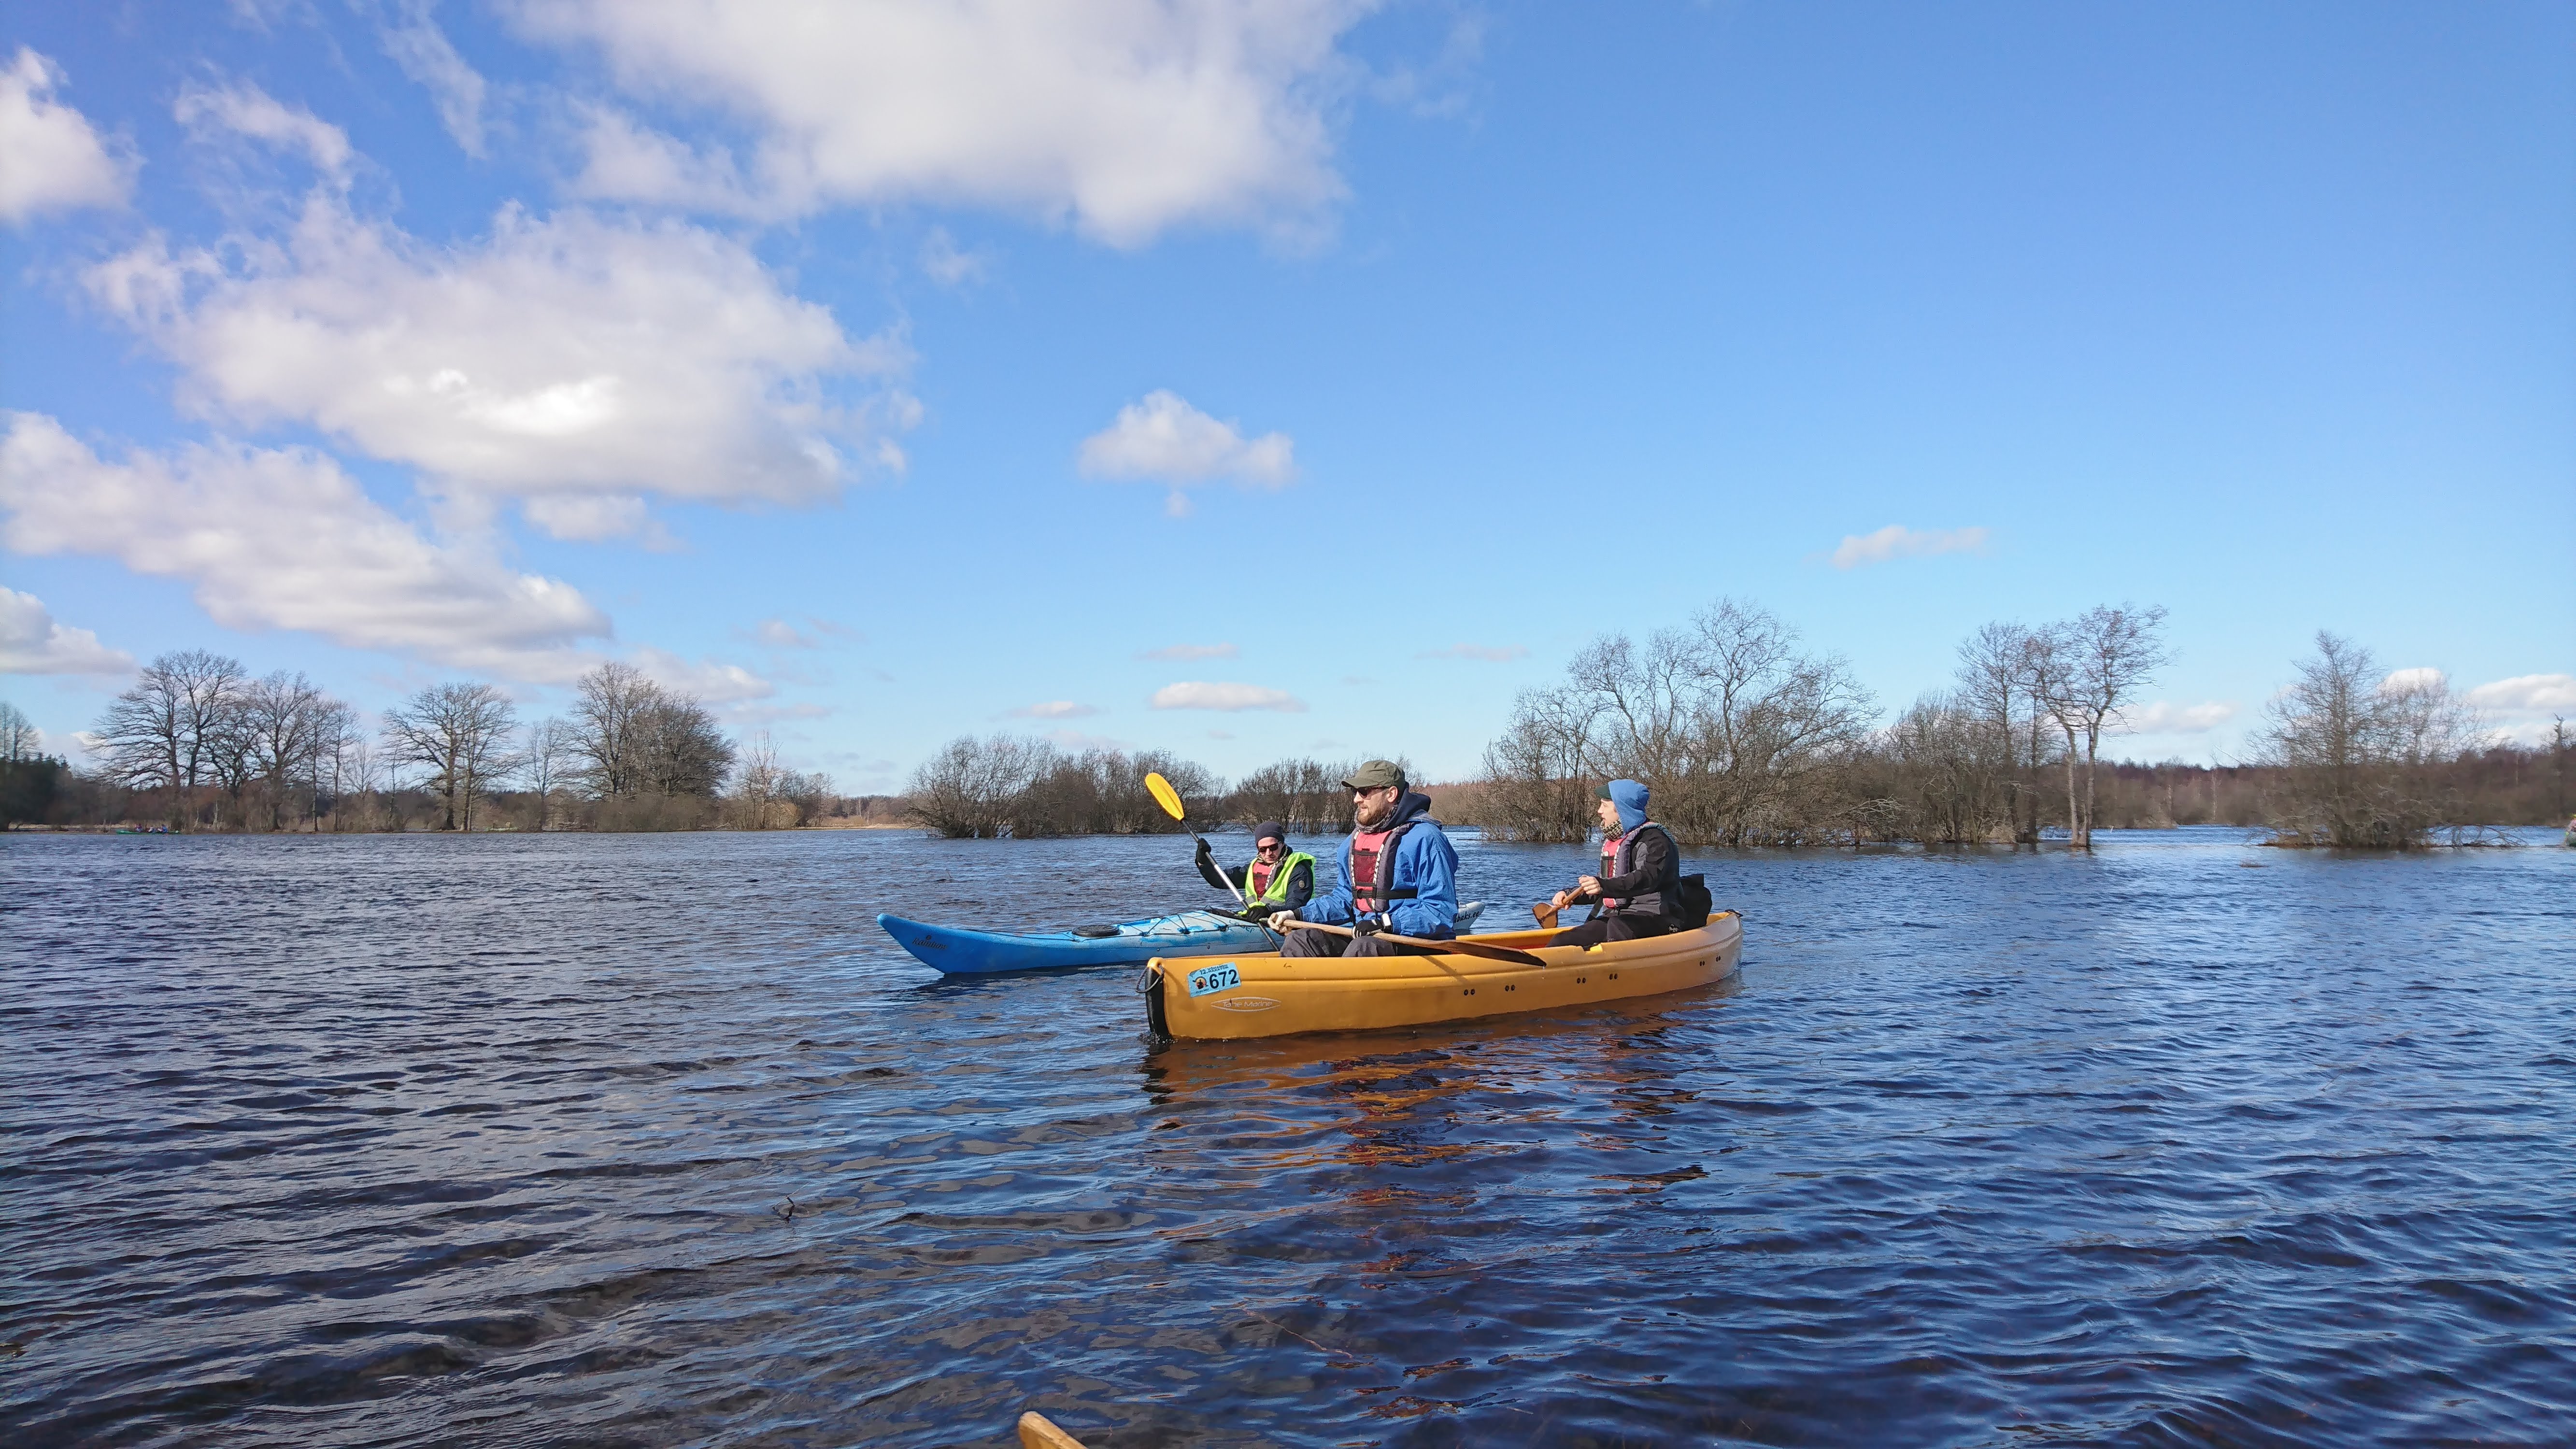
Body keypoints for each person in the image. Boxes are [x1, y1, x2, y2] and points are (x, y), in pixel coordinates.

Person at [1265, 760, 1458, 957]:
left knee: (1364, 948)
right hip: (1366, 935)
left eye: (1364, 791)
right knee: (1301, 940)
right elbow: (1344, 900)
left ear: (1391, 794)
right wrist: (1297, 914)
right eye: (1355, 792)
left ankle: (1342, 985)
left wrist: (1386, 923)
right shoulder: (1350, 844)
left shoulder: (1427, 839)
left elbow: (1440, 910)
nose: (1357, 799)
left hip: (1416, 942)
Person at [1545, 779, 1680, 947]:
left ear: (1621, 809)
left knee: (1618, 928)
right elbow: (1606, 883)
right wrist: (1571, 895)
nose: (1599, 811)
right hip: (1619, 916)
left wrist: (1602, 886)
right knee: (1562, 941)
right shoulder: (1618, 840)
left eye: (1604, 805)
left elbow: (1647, 878)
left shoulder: (1656, 841)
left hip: (1658, 916)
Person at [1196, 822, 1316, 913]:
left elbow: (1297, 905)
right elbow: (1220, 880)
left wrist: (1267, 911)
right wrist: (1203, 862)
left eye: (1273, 847)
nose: (1268, 853)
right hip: (1257, 921)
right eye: (1263, 849)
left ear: (1282, 844)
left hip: (1285, 923)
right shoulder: (1254, 866)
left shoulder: (1299, 868)